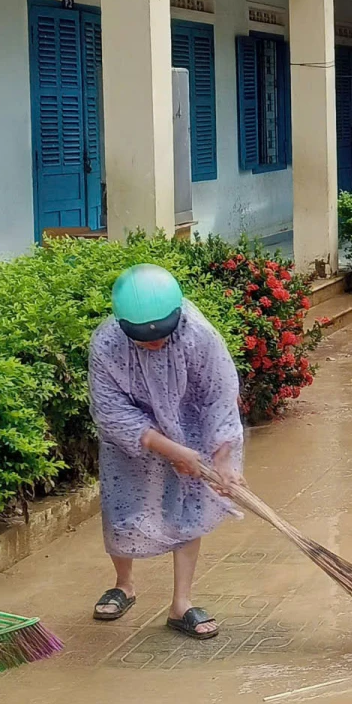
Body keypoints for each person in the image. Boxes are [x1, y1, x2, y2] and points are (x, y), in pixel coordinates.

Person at [88, 264, 245, 640]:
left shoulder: (199, 335)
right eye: (144, 341)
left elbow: (220, 394)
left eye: (161, 337)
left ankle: (181, 604)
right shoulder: (106, 344)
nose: (155, 345)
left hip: (187, 420)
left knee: (187, 505)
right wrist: (168, 448)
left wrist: (221, 458)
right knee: (122, 505)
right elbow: (111, 411)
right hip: (132, 435)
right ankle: (124, 585)